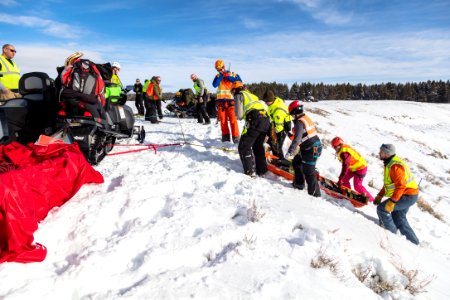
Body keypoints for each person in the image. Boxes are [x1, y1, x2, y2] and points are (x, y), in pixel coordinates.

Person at [374, 144, 420, 245]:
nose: (379, 153)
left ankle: (392, 235)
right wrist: (380, 195)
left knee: (382, 209)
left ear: (386, 154)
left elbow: (400, 186)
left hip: (407, 195)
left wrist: (392, 201)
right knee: (398, 218)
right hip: (409, 194)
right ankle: (414, 243)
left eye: (381, 151)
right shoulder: (390, 163)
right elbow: (389, 184)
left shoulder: (395, 166)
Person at [285, 100, 322, 197]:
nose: (292, 116)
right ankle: (299, 184)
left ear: (295, 112)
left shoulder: (299, 123)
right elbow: (302, 137)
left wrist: (290, 152)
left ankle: (315, 195)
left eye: (292, 114)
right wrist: (289, 134)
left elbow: (297, 140)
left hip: (311, 149)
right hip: (309, 147)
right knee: (297, 162)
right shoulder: (304, 118)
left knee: (309, 172)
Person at [233, 83, 271, 177]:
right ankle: (262, 170)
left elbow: (239, 115)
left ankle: (249, 171)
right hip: (265, 120)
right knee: (257, 146)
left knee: (244, 146)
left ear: (234, 90)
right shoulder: (252, 95)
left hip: (255, 120)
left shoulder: (239, 94)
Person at [331, 137, 374, 202]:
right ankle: (348, 194)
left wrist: (340, 178)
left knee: (357, 186)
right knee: (344, 180)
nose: (335, 149)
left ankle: (371, 200)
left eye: (335, 147)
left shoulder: (344, 153)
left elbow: (345, 166)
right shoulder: (342, 149)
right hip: (353, 167)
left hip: (361, 167)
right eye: (334, 147)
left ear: (340, 145)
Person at [212, 59, 241, 143]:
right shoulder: (218, 76)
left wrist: (227, 77)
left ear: (224, 67)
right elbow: (214, 85)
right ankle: (225, 139)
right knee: (223, 121)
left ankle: (236, 138)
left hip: (231, 101)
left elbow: (239, 82)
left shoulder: (233, 74)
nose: (219, 70)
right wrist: (221, 76)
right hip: (221, 102)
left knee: (233, 120)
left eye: (220, 69)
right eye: (217, 69)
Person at [262, 90, 291, 158]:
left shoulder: (278, 109)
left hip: (281, 129)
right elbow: (271, 115)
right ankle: (274, 156)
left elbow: (279, 127)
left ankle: (280, 161)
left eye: (266, 101)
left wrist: (273, 134)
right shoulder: (273, 104)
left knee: (276, 146)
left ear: (270, 100)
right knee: (272, 143)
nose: (265, 103)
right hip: (276, 125)